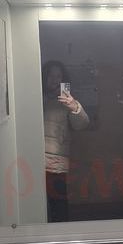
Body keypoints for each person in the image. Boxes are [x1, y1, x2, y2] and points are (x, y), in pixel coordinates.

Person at [42, 60, 89, 222]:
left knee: (58, 206)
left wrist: (75, 107)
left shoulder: (66, 101)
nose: (54, 79)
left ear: (63, 79)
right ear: (44, 77)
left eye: (58, 76)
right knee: (36, 204)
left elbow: (82, 124)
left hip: (56, 161)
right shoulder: (35, 96)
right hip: (33, 159)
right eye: (50, 75)